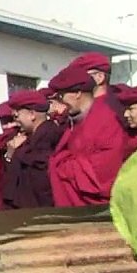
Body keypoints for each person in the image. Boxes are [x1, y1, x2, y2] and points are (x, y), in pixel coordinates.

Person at [47, 64, 130, 206]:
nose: (60, 102)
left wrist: (62, 165)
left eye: (61, 96)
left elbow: (105, 168)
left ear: (77, 93)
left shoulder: (107, 118)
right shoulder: (74, 121)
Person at [1, 90, 64, 209]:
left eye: (17, 116)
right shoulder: (30, 137)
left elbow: (41, 171)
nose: (16, 121)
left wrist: (17, 152)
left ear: (32, 114)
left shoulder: (49, 135)